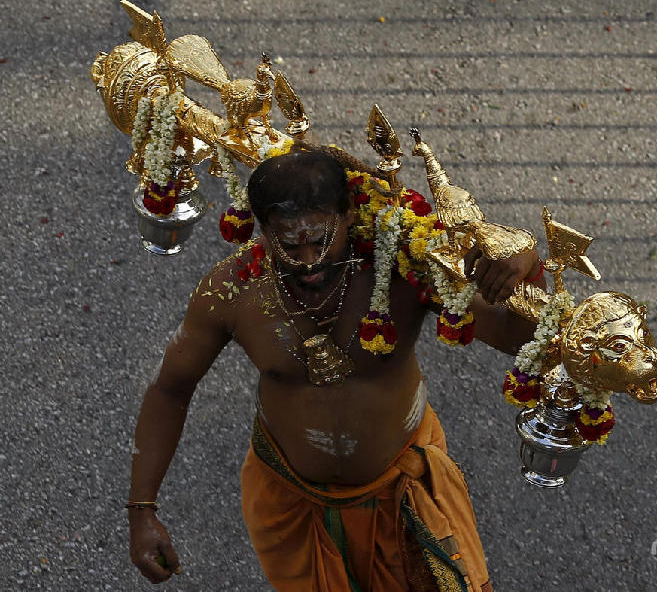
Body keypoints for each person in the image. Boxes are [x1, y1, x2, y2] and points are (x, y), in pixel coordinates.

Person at [127, 148, 546, 590]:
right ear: (263, 232)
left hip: (406, 494)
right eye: (289, 245)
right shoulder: (232, 293)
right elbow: (169, 389)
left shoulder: (409, 271)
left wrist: (527, 268)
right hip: (291, 508)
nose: (308, 261)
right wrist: (141, 511)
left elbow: (515, 338)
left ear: (348, 215)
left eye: (320, 240)